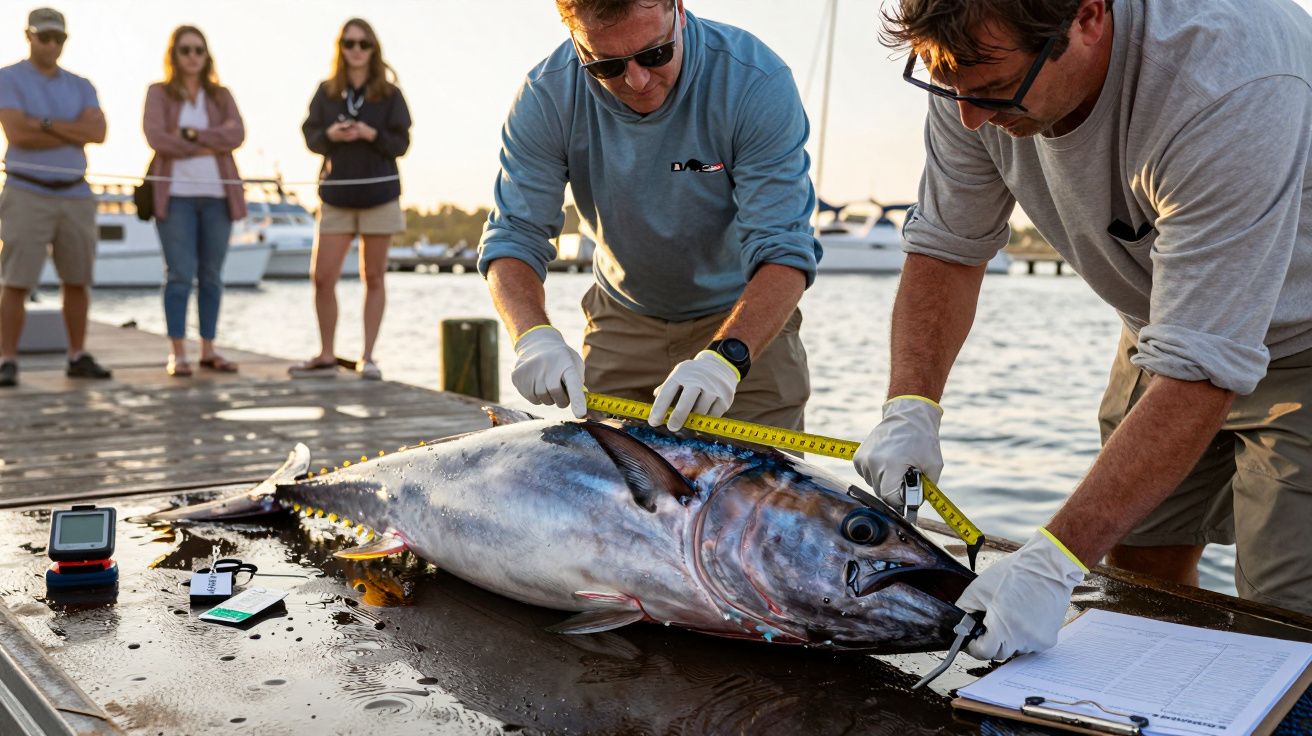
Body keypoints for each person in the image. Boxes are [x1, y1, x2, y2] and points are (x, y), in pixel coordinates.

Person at [859, 0, 1312, 661]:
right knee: (1136, 579)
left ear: (1089, 18)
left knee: (1282, 626)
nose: (970, 117)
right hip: (1162, 325)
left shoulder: (1227, 80)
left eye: (992, 91)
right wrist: (911, 404)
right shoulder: (968, 68)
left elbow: (1203, 368)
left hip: (1303, 342)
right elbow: (949, 248)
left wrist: (1055, 558)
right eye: (948, 87)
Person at [478, 0, 820, 432]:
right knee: (611, 493)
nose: (637, 80)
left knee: (766, 496)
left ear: (678, 10)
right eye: (606, 66)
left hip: (745, 319)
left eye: (655, 54)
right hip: (622, 319)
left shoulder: (754, 81)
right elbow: (513, 237)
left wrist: (725, 360)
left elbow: (784, 249)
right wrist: (533, 336)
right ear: (576, 41)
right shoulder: (546, 96)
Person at [0, 7, 111, 387]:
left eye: (58, 38)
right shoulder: (8, 78)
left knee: (78, 279)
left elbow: (97, 132)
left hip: (75, 194)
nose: (51, 44)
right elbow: (17, 133)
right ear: (28, 35)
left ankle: (77, 355)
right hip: (25, 190)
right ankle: (6, 359)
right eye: (44, 36)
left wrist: (44, 123)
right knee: (16, 280)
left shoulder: (82, 84)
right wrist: (70, 129)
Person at [295, 18, 411, 381]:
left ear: (373, 49)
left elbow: (401, 144)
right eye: (349, 43)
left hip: (379, 194)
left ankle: (368, 357)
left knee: (373, 277)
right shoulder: (326, 91)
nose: (356, 50)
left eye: (363, 44)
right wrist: (331, 133)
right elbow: (311, 137)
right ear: (340, 47)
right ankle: (327, 354)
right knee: (322, 277)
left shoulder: (390, 94)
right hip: (337, 196)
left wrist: (370, 133)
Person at [143, 25, 247, 377]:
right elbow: (156, 137)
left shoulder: (221, 96)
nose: (192, 56)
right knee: (179, 274)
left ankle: (209, 349)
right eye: (185, 50)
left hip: (219, 198)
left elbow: (237, 135)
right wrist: (207, 143)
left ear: (207, 55)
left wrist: (190, 136)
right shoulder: (158, 93)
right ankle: (177, 352)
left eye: (198, 50)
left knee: (212, 276)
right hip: (174, 199)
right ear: (174, 54)